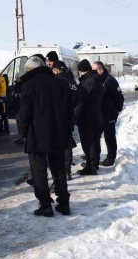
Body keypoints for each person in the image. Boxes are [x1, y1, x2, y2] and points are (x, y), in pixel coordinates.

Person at [17, 56, 71, 216]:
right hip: (58, 133)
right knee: (59, 169)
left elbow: (24, 113)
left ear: (31, 69)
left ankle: (45, 205)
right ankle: (64, 203)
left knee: (39, 171)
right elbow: (69, 108)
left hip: (36, 134)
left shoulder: (28, 85)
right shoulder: (60, 83)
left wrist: (23, 133)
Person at [53, 61, 83, 180]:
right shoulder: (72, 82)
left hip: (58, 118)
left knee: (57, 145)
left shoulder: (56, 82)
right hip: (69, 118)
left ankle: (60, 171)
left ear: (56, 70)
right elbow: (79, 102)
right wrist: (73, 116)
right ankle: (67, 171)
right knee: (67, 144)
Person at [94, 62, 125, 168]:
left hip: (109, 114)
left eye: (94, 71)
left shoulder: (110, 81)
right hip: (101, 114)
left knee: (109, 136)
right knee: (95, 135)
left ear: (100, 70)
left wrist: (117, 109)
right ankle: (94, 156)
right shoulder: (100, 80)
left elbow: (119, 97)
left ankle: (111, 158)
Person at [77, 59, 104, 175]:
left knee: (90, 143)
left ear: (82, 70)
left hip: (89, 117)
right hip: (95, 115)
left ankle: (91, 167)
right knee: (93, 142)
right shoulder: (94, 79)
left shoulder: (89, 81)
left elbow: (82, 99)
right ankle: (93, 164)